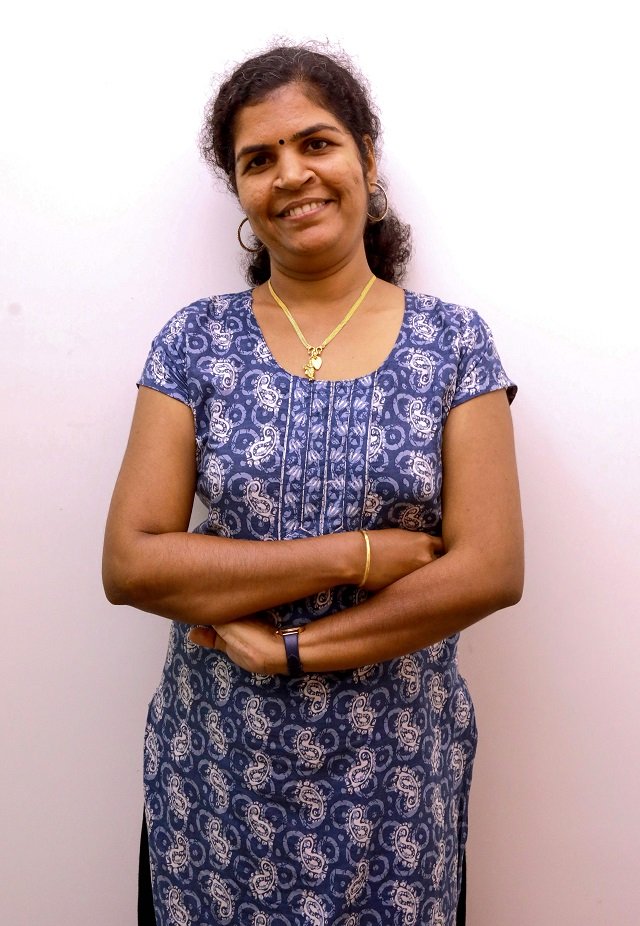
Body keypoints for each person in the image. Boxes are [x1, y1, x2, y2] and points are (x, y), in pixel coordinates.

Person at [103, 43, 523, 926]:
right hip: (216, 789)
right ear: (243, 193)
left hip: (395, 794)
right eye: (259, 160)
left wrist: (293, 648)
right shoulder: (195, 342)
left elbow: (489, 570)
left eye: (317, 143)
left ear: (368, 158)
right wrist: (360, 555)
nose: (292, 175)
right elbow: (133, 565)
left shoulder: (456, 345)